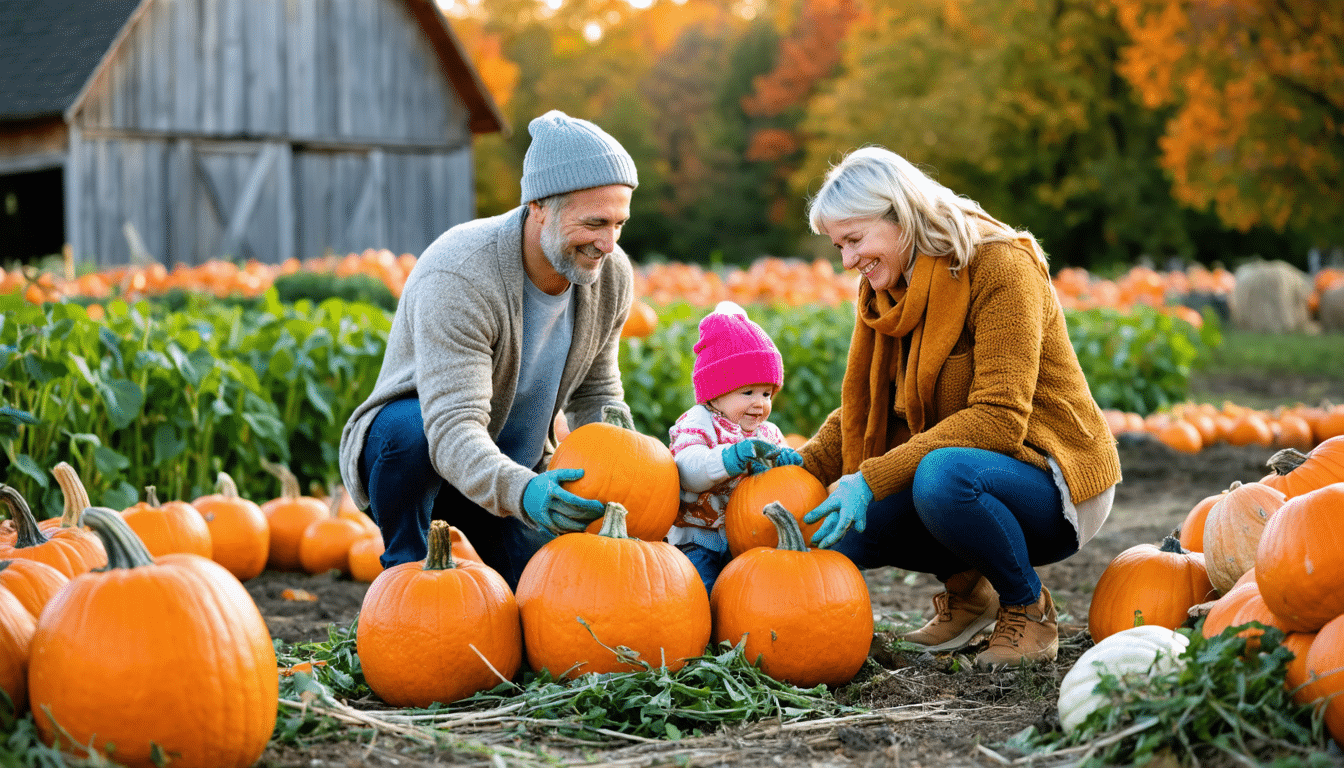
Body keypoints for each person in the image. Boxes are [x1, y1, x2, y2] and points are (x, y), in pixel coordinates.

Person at [795, 146, 1122, 669]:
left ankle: (1027, 608)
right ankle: (972, 597)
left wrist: (872, 478)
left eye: (854, 240)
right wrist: (802, 465)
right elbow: (875, 409)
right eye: (839, 245)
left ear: (901, 215)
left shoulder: (999, 264)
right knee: (839, 531)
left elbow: (998, 419)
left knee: (940, 476)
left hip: (1054, 477)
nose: (848, 261)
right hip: (961, 471)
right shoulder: (887, 290)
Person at [337, 110, 641, 590]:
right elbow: (452, 431)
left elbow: (597, 394)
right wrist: (525, 493)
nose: (608, 243)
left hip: (515, 468)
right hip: (428, 456)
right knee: (409, 432)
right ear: (539, 205)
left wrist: (631, 473)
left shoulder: (611, 274)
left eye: (619, 223)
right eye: (595, 223)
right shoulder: (460, 273)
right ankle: (403, 577)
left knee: (541, 602)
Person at [666, 301, 804, 596]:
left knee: (747, 595)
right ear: (714, 395)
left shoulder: (767, 433)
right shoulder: (698, 422)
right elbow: (687, 469)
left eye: (767, 393)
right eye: (748, 392)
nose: (760, 403)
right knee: (701, 591)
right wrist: (728, 459)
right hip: (698, 538)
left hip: (748, 539)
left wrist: (786, 465)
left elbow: (779, 485)